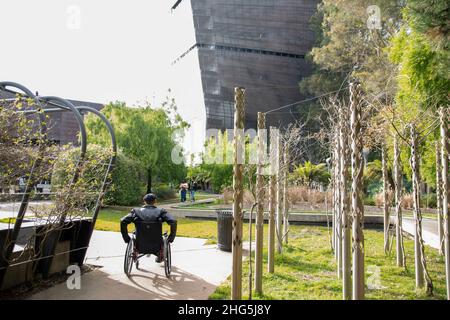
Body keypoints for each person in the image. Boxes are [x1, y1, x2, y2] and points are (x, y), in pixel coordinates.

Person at [120, 193, 177, 263]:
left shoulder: (136, 212)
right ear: (155, 201)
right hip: (157, 245)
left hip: (139, 244)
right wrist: (171, 238)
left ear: (144, 201)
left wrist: (127, 239)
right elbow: (173, 221)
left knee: (135, 234)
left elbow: (123, 221)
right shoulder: (161, 212)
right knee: (163, 239)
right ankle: (160, 256)